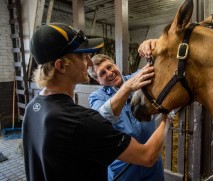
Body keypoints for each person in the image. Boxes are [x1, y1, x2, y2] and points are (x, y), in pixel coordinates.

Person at [22, 23, 170, 181]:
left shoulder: (33, 108)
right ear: (61, 66)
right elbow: (147, 155)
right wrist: (167, 114)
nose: (89, 62)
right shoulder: (81, 121)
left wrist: (156, 47)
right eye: (82, 56)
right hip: (125, 171)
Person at [88, 51, 163, 180]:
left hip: (152, 160)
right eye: (102, 73)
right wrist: (127, 88)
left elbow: (161, 65)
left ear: (115, 65)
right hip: (123, 167)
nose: (109, 73)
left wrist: (153, 47)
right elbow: (102, 120)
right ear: (98, 80)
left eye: (109, 67)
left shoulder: (138, 77)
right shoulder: (97, 97)